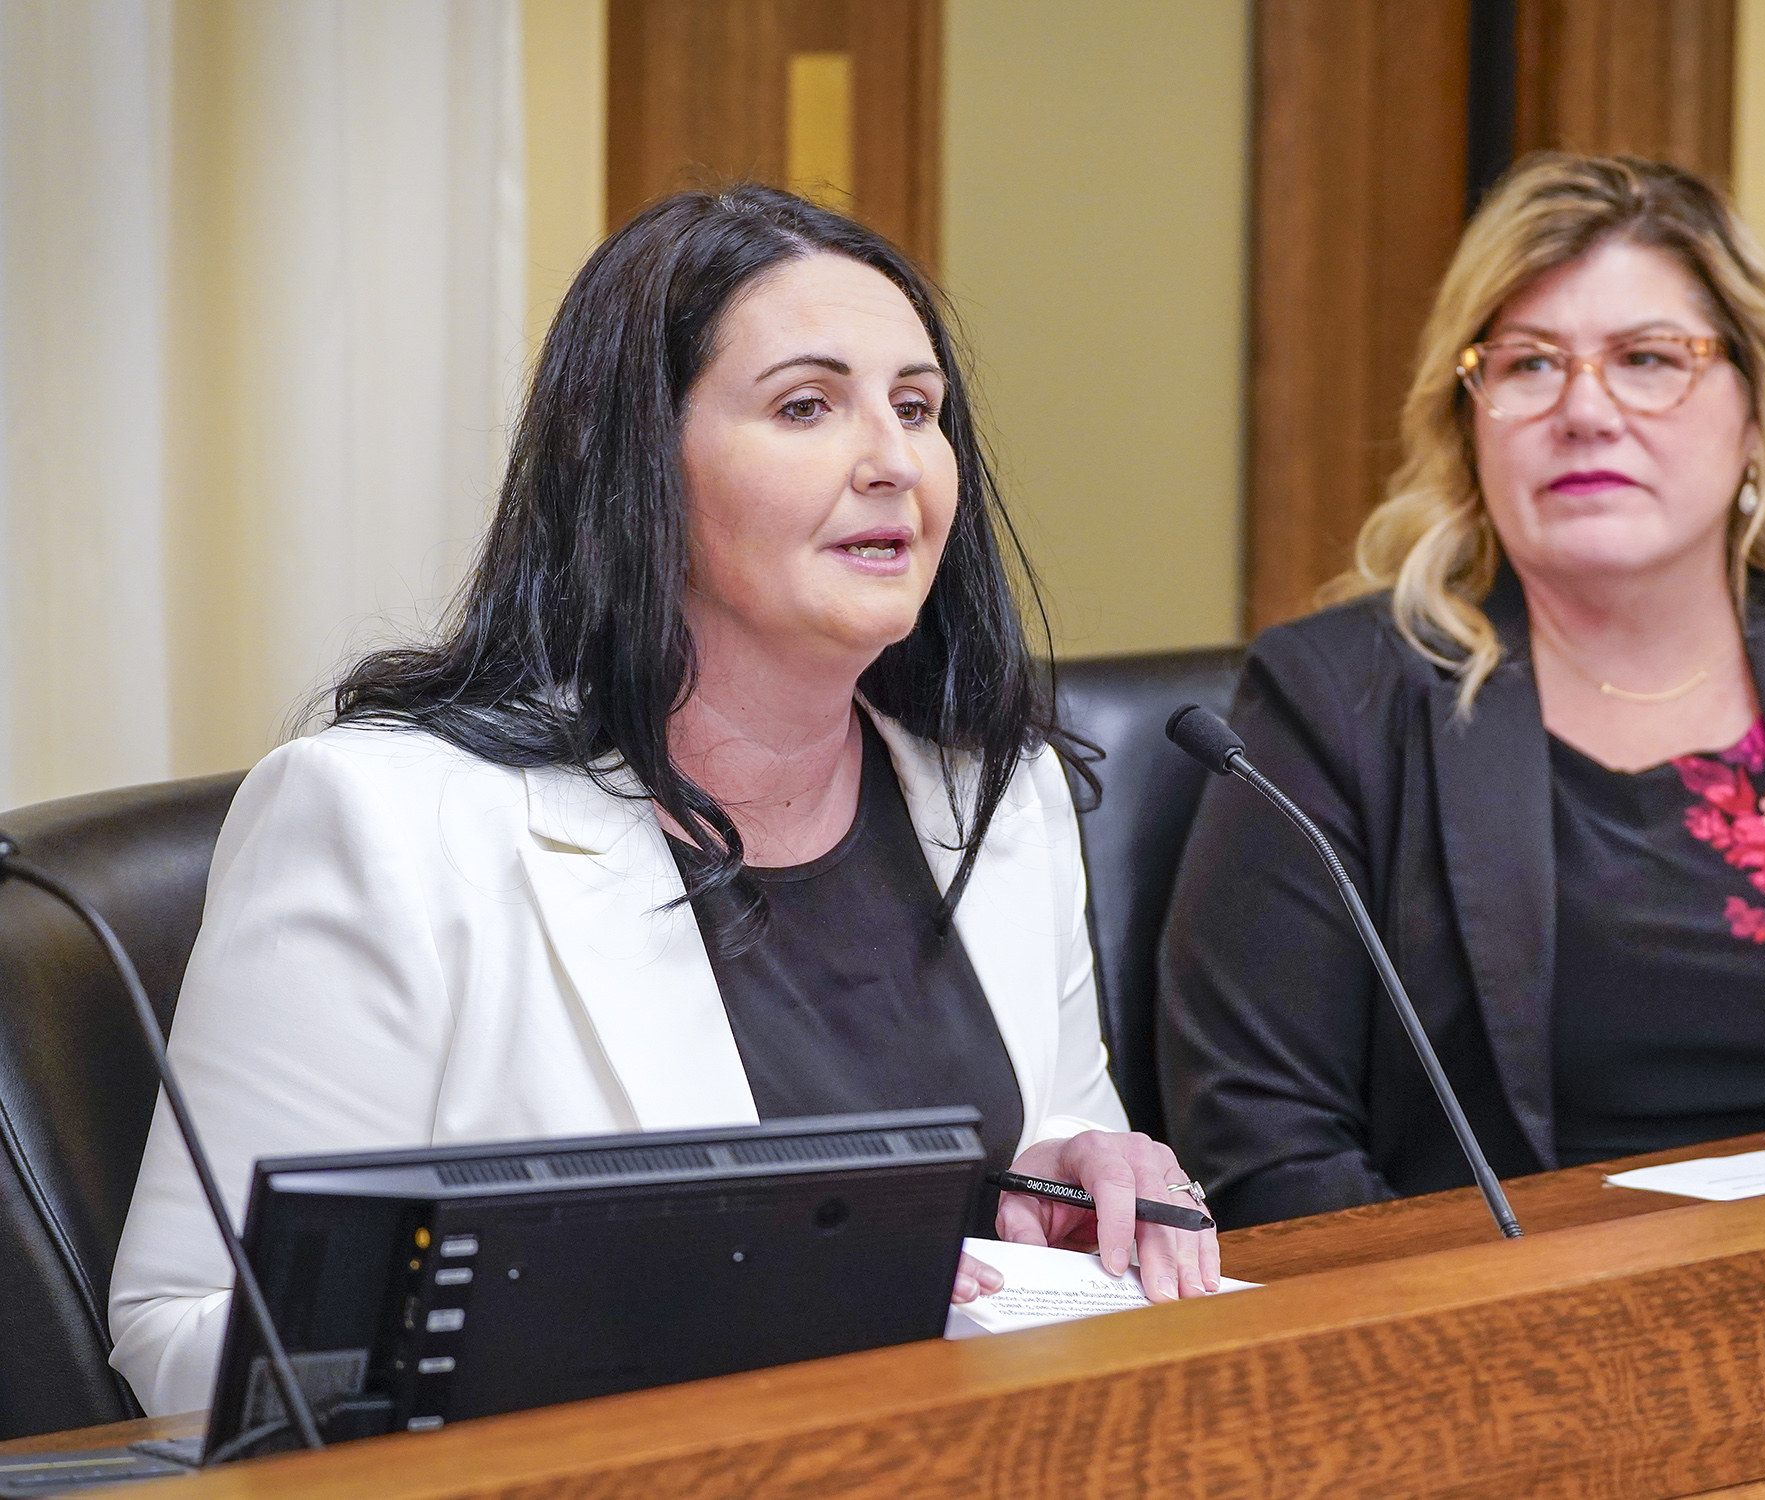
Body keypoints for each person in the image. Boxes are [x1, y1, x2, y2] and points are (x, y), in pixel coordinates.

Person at [110, 185, 1217, 1416]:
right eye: (807, 406)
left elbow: (1025, 1194)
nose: (894, 461)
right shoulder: (384, 822)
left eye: (917, 408)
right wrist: (636, 1306)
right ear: (636, 464)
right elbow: (186, 1331)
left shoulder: (997, 797)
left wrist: (1074, 1184)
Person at [1158, 154, 1765, 1230]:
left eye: (1646, 357)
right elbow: (1262, 1141)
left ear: (1758, 411)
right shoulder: (1339, 697)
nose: (1585, 410)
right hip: (1489, 1343)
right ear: (1468, 418)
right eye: (1529, 365)